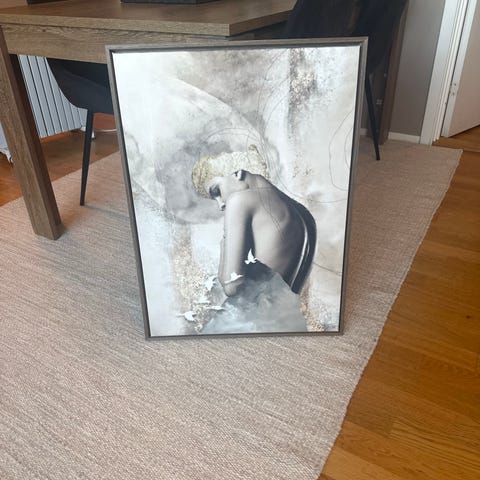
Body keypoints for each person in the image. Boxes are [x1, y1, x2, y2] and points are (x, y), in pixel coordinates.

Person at [205, 168, 316, 297]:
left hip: (252, 307)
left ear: (237, 174)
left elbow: (232, 286)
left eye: (217, 191)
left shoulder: (240, 200)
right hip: (282, 307)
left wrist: (225, 241)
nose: (221, 205)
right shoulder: (302, 212)